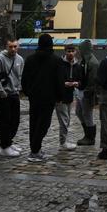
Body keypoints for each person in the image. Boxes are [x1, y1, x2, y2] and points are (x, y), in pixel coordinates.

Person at [21, 34, 63, 162]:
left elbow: (24, 79)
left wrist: (28, 92)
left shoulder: (30, 59)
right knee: (44, 124)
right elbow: (59, 80)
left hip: (34, 96)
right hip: (49, 97)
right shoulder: (56, 60)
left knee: (34, 122)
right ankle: (35, 150)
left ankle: (35, 149)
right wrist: (60, 96)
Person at [0, 37, 25, 157]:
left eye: (15, 46)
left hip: (14, 94)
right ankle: (4, 147)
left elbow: (20, 76)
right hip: (1, 96)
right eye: (10, 46)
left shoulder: (20, 59)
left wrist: (19, 90)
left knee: (15, 120)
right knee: (4, 121)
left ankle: (8, 142)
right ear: (6, 47)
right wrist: (1, 92)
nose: (13, 49)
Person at [55, 44, 80, 150]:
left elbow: (80, 78)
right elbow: (55, 78)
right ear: (65, 52)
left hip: (70, 95)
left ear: (75, 52)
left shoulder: (77, 65)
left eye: (72, 51)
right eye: (68, 51)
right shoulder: (59, 63)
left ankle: (64, 141)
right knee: (64, 120)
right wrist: (63, 83)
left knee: (68, 119)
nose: (70, 53)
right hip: (60, 95)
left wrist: (77, 83)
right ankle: (63, 143)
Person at [76, 39, 99, 146]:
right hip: (81, 91)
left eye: (80, 49)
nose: (78, 51)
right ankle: (87, 135)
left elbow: (93, 81)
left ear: (84, 50)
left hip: (88, 94)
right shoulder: (84, 60)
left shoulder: (93, 63)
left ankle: (90, 138)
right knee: (79, 112)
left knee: (87, 114)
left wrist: (87, 92)